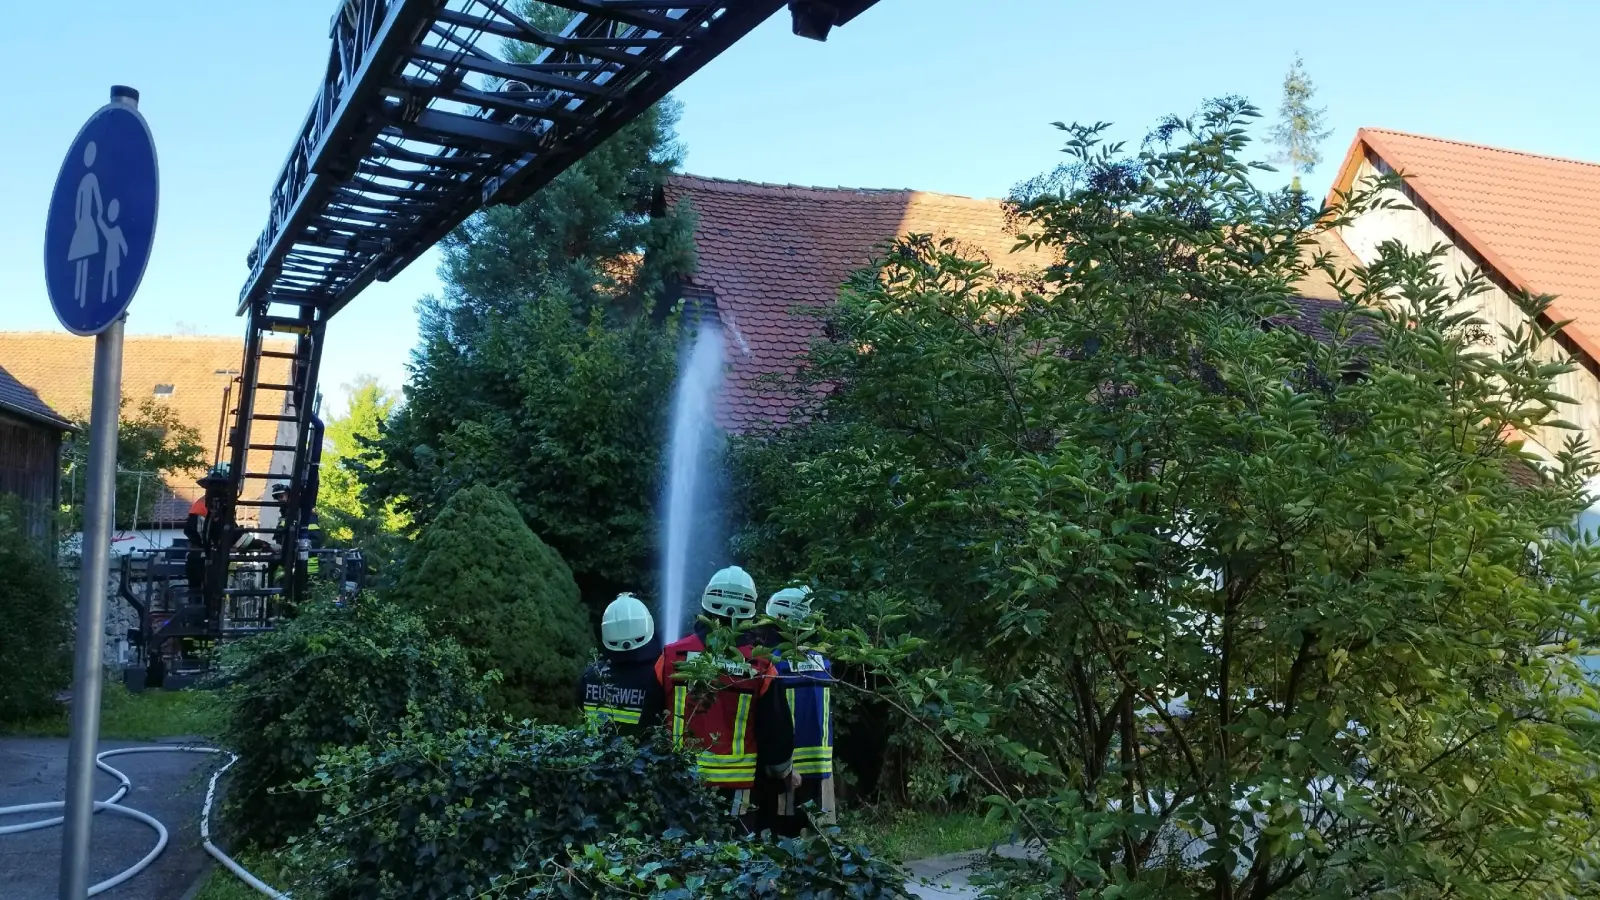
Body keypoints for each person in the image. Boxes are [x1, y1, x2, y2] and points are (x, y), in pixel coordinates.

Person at [656, 566, 798, 831]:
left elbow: (650, 716)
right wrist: (783, 772)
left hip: (677, 779)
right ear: (750, 612)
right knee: (734, 852)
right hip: (737, 788)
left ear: (706, 603)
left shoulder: (671, 656)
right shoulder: (761, 665)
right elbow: (777, 730)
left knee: (677, 848)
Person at [754, 586, 837, 836]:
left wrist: (782, 766)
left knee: (781, 837)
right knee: (810, 835)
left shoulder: (773, 663)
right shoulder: (822, 662)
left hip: (786, 768)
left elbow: (772, 718)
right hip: (818, 768)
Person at [578, 593, 665, 735]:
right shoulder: (657, 676)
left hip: (593, 748)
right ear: (648, 626)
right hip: (641, 750)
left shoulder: (590, 676)